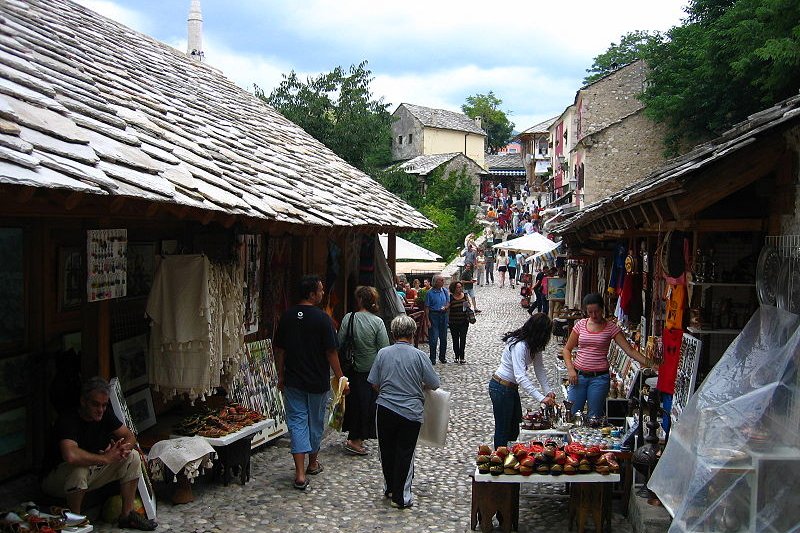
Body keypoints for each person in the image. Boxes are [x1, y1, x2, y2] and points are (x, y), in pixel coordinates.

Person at [42, 377, 157, 531]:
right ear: (83, 401)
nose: (100, 409)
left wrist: (120, 450)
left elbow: (130, 437)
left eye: (104, 405)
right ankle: (75, 521)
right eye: (95, 404)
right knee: (79, 470)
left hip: (93, 469)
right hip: (56, 479)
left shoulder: (104, 413)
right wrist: (104, 458)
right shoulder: (68, 419)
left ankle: (127, 515)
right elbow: (70, 455)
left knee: (132, 456)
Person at [275, 275, 347, 491]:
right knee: (315, 422)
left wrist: (280, 375)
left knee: (297, 423)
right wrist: (341, 377)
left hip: (293, 379)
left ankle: (299, 473)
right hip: (316, 381)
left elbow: (281, 350)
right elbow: (331, 351)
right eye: (321, 290)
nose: (323, 293)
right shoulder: (323, 319)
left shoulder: (287, 316)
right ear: (312, 294)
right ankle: (312, 463)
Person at [369, 315, 440, 509]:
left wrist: (387, 391)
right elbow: (434, 383)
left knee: (386, 450)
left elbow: (374, 382)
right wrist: (418, 387)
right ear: (412, 333)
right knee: (405, 453)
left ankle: (390, 487)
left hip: (385, 408)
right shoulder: (419, 356)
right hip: (411, 411)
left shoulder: (383, 354)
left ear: (393, 334)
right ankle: (401, 496)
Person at [562, 293, 657, 418]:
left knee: (594, 416)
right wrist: (570, 369)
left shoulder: (611, 328)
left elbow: (630, 350)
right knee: (571, 414)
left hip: (599, 378)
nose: (594, 315)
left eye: (596, 311)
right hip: (578, 376)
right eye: (590, 312)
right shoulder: (580, 325)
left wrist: (652, 364)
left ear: (602, 309)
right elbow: (567, 349)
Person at [488, 314, 556, 449]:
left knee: (514, 428)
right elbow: (520, 376)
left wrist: (547, 390)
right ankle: (499, 459)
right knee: (503, 429)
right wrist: (541, 398)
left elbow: (539, 368)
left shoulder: (534, 345)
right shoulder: (520, 345)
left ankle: (509, 456)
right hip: (501, 387)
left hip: (511, 388)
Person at [339, 286, 390, 456]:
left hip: (351, 368)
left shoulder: (349, 318)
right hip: (371, 370)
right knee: (367, 405)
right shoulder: (377, 322)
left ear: (360, 300)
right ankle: (356, 439)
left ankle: (354, 436)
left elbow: (340, 341)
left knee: (353, 404)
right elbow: (384, 348)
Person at [424, 274, 449, 364]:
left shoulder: (445, 291)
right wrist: (428, 320)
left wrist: (445, 307)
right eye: (441, 280)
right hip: (434, 315)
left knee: (443, 338)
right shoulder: (429, 293)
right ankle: (432, 358)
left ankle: (442, 357)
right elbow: (426, 307)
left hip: (443, 315)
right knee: (433, 338)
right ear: (436, 282)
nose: (443, 282)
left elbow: (448, 302)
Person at [448, 281, 472, 364]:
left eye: (460, 287)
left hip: (464, 321)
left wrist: (468, 305)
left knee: (462, 339)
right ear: (454, 288)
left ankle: (462, 356)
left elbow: (469, 304)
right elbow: (448, 307)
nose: (459, 289)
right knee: (455, 340)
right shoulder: (451, 297)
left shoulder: (464, 296)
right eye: (458, 287)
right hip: (453, 322)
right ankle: (456, 356)